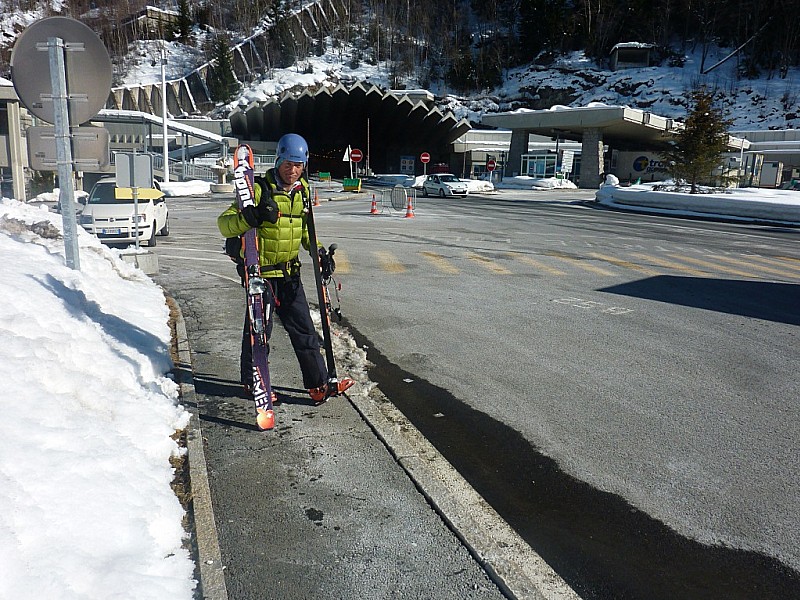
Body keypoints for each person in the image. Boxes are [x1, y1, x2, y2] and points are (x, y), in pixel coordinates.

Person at [218, 133, 350, 403]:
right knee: (259, 332)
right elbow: (224, 224)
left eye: (298, 165)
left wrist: (319, 253)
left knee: (305, 330)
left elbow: (306, 233)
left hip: (290, 274)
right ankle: (253, 382)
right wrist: (252, 216)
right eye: (288, 164)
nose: (292, 170)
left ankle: (318, 384)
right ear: (278, 161)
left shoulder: (303, 192)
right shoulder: (258, 189)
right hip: (261, 274)